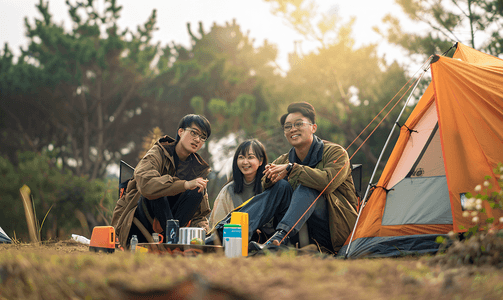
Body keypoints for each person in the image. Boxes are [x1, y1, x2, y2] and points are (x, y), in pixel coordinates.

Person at [208, 102, 358, 254]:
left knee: (309, 184)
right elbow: (263, 188)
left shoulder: (336, 153)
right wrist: (269, 180)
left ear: (313, 127)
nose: (293, 129)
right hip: (299, 233)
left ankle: (280, 236)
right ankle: (225, 233)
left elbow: (328, 182)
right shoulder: (284, 159)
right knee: (281, 187)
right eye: (288, 126)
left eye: (299, 124)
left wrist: (292, 169)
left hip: (333, 232)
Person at [112, 114, 212, 248]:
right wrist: (185, 184)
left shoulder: (197, 169)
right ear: (180, 131)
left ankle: (170, 239)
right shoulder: (158, 152)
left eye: (202, 137)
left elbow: (200, 214)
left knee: (197, 191)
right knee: (157, 191)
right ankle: (172, 239)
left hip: (172, 223)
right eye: (194, 133)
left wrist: (204, 235)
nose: (197, 139)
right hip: (140, 221)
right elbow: (146, 185)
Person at [208, 139, 268, 228]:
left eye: (250, 157)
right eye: (241, 157)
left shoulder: (268, 186)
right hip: (233, 238)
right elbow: (216, 225)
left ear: (260, 161)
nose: (245, 162)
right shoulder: (228, 191)